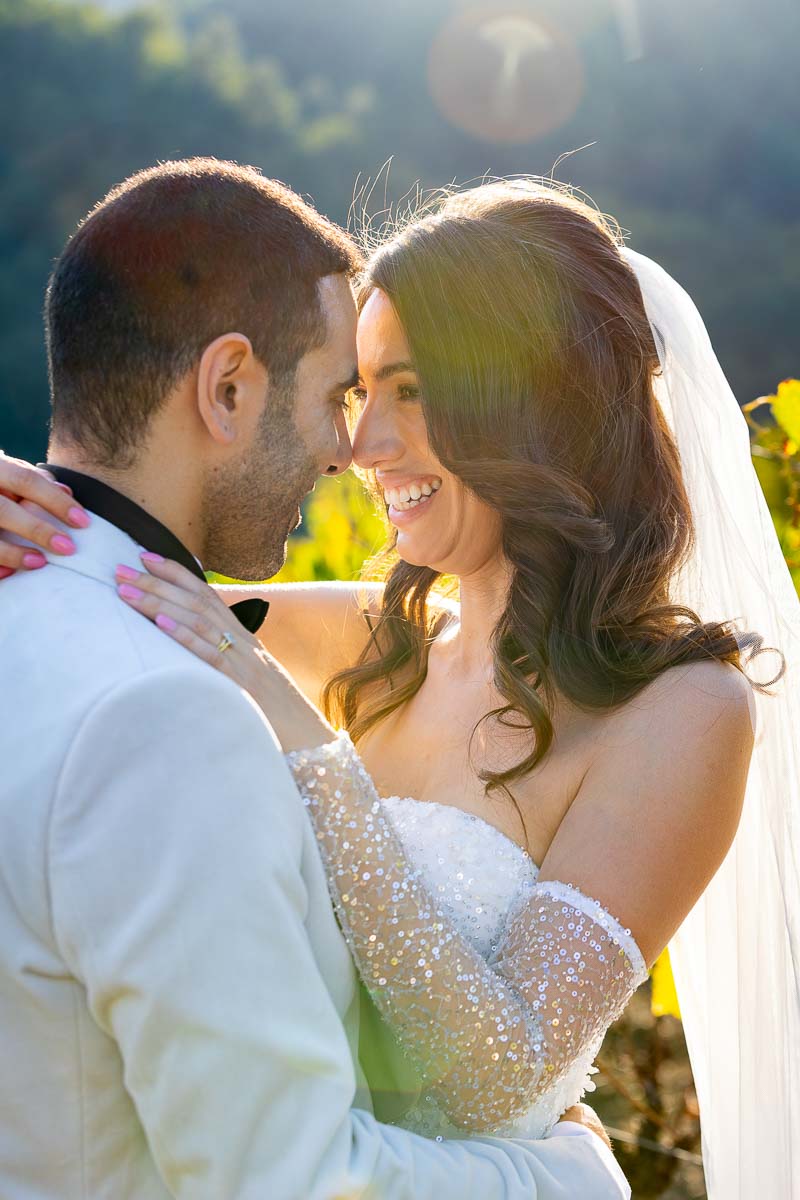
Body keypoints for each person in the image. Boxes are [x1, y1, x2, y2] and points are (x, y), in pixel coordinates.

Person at [0, 162, 635, 1200]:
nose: (352, 450)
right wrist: (568, 1182)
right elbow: (284, 1178)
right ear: (229, 387)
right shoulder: (173, 714)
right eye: (339, 393)